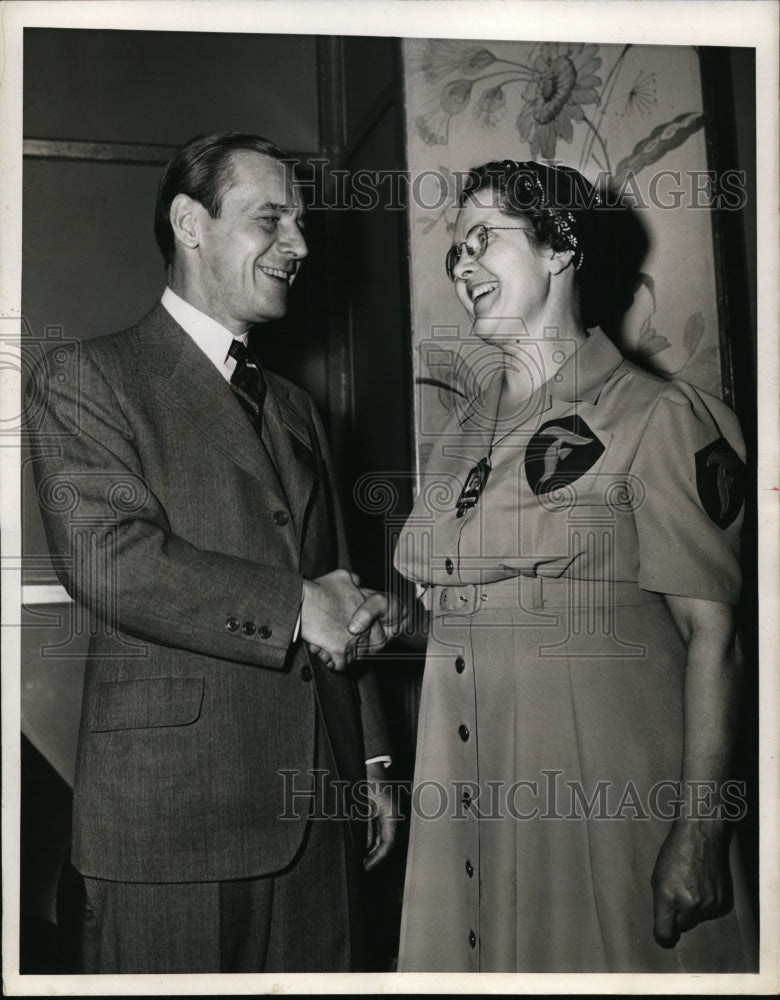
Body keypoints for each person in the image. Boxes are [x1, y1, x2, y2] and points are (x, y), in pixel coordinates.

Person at [26, 131, 397, 974]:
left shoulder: (299, 409)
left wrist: (370, 756)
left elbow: (337, 582)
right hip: (172, 824)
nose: (299, 244)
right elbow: (110, 559)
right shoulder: (88, 376)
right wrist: (298, 605)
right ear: (191, 224)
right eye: (271, 219)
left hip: (318, 810)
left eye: (300, 223)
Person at [377, 159, 755, 972]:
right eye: (454, 252)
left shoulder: (658, 416)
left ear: (561, 248)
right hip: (469, 799)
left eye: (483, 240)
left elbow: (714, 640)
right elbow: (454, 598)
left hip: (599, 803)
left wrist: (700, 829)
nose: (462, 266)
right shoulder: (456, 433)